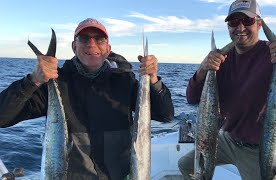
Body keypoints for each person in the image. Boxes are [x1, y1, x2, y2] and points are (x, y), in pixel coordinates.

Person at [0, 18, 174, 179]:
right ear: (74, 47)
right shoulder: (56, 83)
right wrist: (32, 81)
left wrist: (152, 80)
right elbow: (2, 117)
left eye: (99, 39)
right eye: (84, 38)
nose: (92, 44)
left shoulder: (125, 81)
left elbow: (165, 114)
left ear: (108, 48)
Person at [178, 0, 276, 179]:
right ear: (229, 27)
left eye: (247, 21)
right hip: (227, 139)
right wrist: (202, 69)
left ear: (259, 24)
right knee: (185, 166)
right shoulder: (222, 60)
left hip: (260, 149)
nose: (240, 27)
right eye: (234, 22)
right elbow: (192, 97)